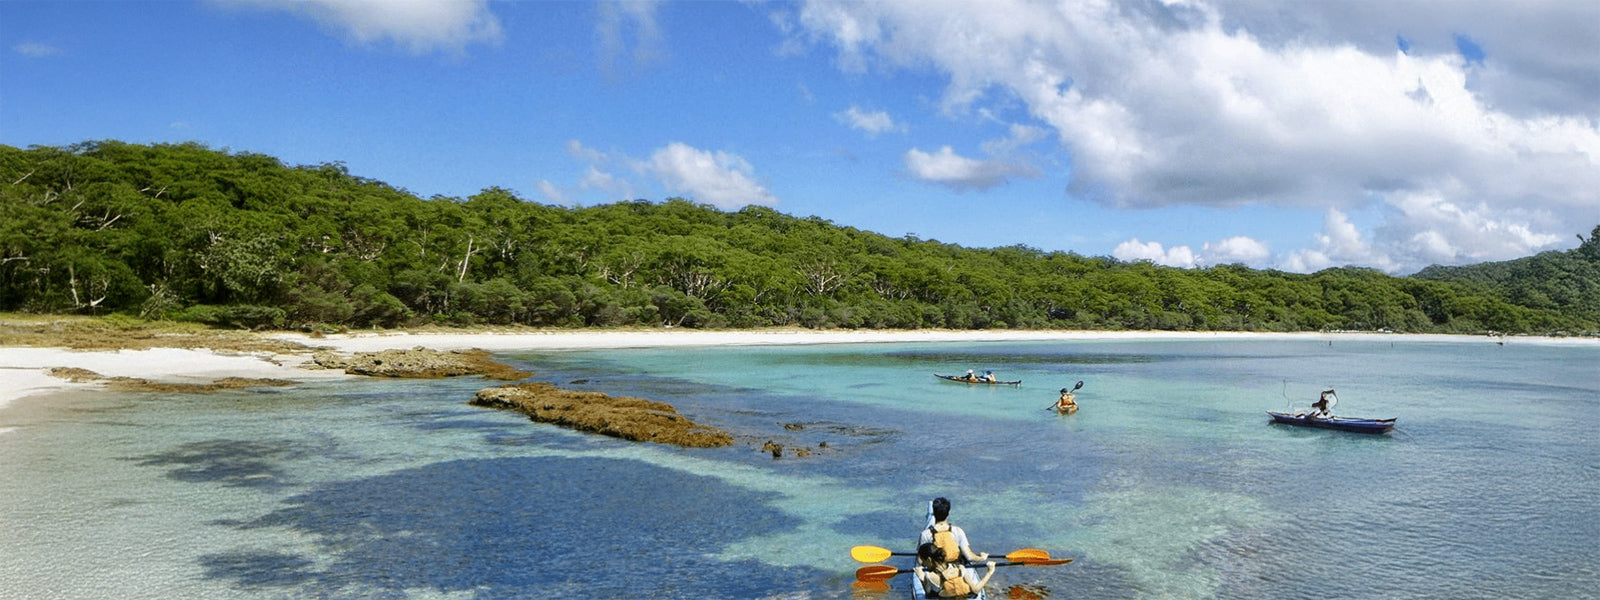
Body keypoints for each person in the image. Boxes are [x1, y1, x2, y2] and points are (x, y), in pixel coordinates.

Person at [914, 541, 996, 598]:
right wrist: (989, 572)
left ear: (928, 560)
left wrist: (922, 579)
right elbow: (975, 590)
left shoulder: (929, 576)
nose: (923, 564)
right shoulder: (960, 568)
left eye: (923, 561)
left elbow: (928, 595)